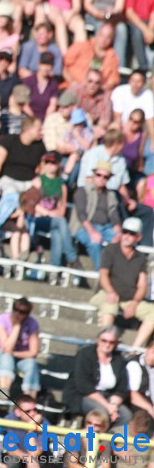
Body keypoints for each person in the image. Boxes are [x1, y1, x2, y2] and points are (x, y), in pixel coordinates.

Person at [90, 217, 154, 349]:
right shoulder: (110, 250)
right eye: (125, 231)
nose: (127, 236)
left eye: (132, 233)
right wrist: (111, 291)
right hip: (106, 293)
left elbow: (142, 285)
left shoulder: (141, 258)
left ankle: (134, 350)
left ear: (138, 237)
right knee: (110, 306)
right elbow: (103, 275)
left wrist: (135, 303)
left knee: (152, 312)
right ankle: (105, 344)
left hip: (129, 299)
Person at [63, 326, 132, 428]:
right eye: (104, 340)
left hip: (108, 397)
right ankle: (88, 439)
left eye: (111, 342)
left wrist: (113, 406)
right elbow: (84, 386)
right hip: (84, 396)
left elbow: (121, 389)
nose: (107, 344)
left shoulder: (119, 359)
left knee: (126, 416)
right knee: (101, 413)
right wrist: (108, 406)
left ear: (116, 344)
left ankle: (104, 437)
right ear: (98, 340)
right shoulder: (85, 354)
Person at [71, 160, 123, 270]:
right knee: (94, 243)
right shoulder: (82, 190)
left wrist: (118, 233)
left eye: (105, 177)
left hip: (105, 227)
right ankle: (100, 273)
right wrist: (92, 232)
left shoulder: (110, 195)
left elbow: (114, 215)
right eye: (99, 175)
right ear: (94, 175)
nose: (101, 178)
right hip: (84, 227)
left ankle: (117, 275)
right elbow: (81, 215)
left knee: (123, 242)